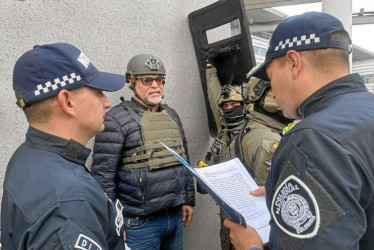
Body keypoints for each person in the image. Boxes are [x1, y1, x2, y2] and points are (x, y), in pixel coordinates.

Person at [224, 11, 374, 250]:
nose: (272, 92)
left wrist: (250, 248)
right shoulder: (367, 110)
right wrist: (278, 191)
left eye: (271, 77)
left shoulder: (312, 140)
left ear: (293, 63)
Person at [1, 43, 126, 249]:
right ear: (67, 102)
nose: (107, 102)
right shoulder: (69, 204)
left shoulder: (29, 156)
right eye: (98, 91)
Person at [91, 54, 195, 250]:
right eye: (147, 80)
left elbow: (184, 160)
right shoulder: (115, 119)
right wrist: (113, 221)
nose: (155, 85)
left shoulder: (171, 115)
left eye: (159, 79)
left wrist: (188, 199)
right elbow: (103, 177)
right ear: (131, 81)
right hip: (139, 224)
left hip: (174, 217)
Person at [203, 61, 292, 250]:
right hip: (229, 205)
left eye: (235, 104)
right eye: (226, 106)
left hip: (251, 212)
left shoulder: (254, 130)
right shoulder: (223, 128)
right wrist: (210, 69)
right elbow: (214, 97)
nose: (230, 108)